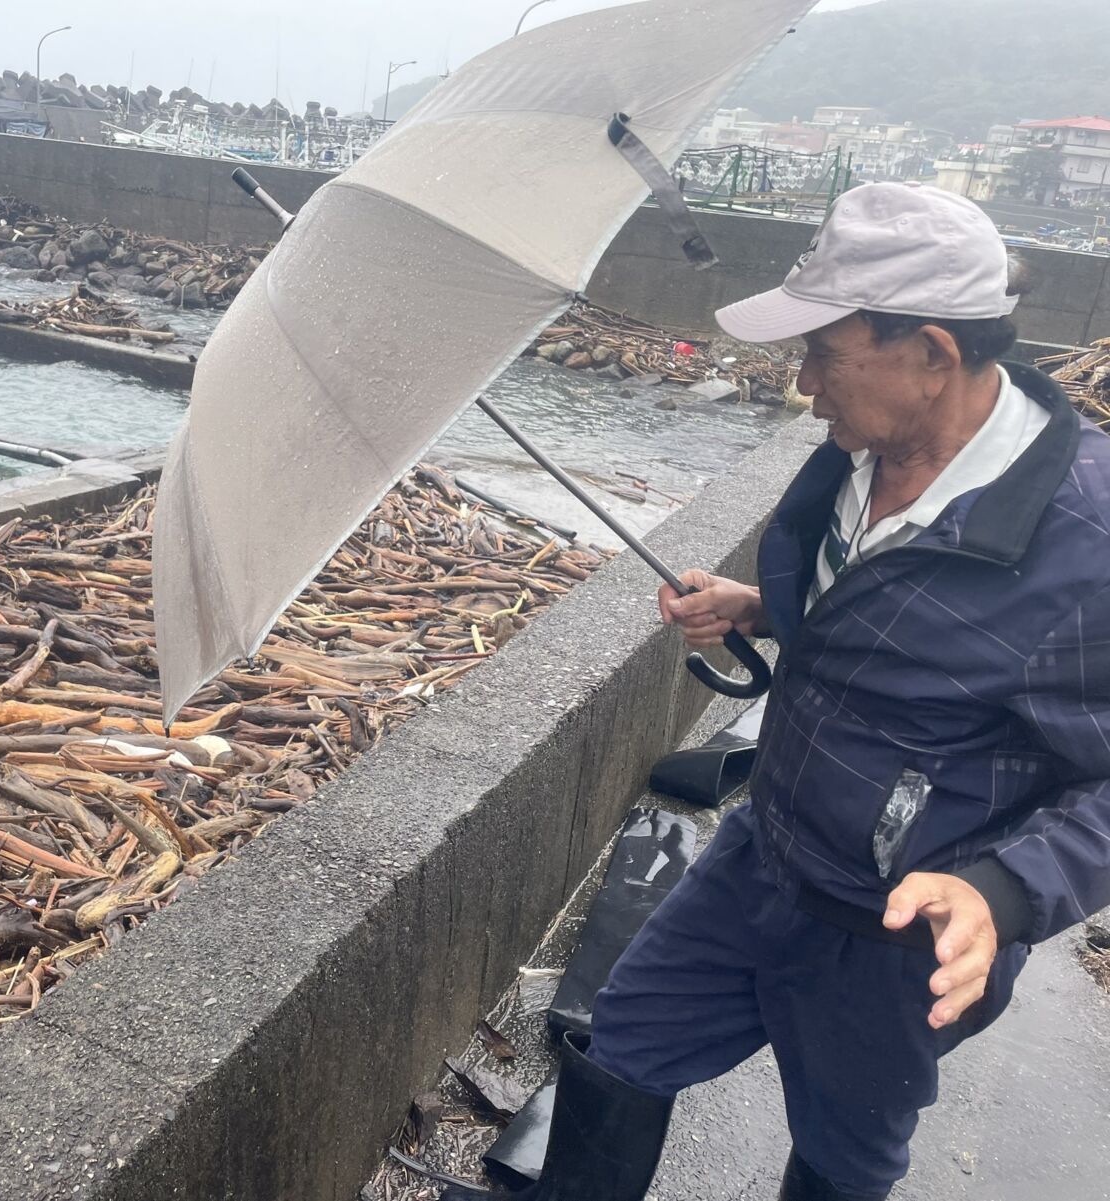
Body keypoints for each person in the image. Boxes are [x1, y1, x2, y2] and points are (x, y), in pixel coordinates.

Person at [446, 182, 1110, 1201]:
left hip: (895, 939)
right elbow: (877, 606)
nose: (803, 388)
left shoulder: (1084, 547)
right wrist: (760, 604)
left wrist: (1001, 890)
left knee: (843, 1156)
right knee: (622, 1043)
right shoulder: (860, 455)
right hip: (764, 851)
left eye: (824, 356)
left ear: (932, 353)